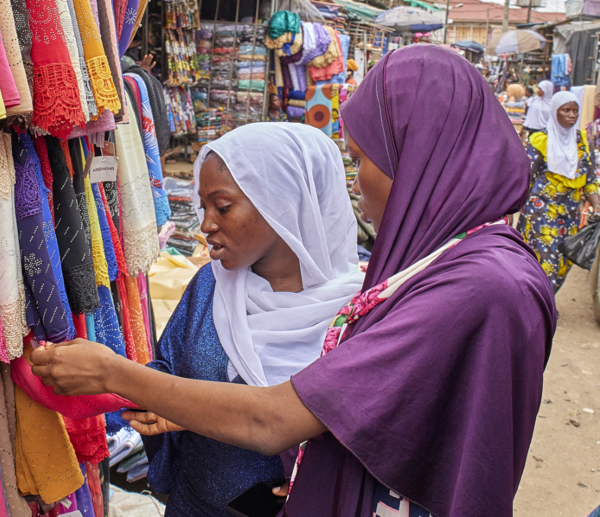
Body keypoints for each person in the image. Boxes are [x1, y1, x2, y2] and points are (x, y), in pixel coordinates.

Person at [31, 45, 556, 517]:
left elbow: (275, 420)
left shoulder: (476, 289)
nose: (359, 188)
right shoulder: (434, 276)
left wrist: (114, 374)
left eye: (362, 162)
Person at [135, 124, 364, 516]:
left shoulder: (357, 313)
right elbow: (166, 372)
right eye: (202, 205)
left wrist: (320, 474)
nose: (206, 224)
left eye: (222, 207)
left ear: (282, 203)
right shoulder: (210, 286)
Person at [518, 91, 599, 292]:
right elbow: (526, 175)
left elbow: (588, 177)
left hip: (570, 213)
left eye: (575, 111)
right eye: (566, 110)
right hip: (542, 211)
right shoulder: (540, 141)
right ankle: (544, 305)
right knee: (547, 262)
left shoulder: (579, 142)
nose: (572, 115)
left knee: (565, 261)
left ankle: (544, 300)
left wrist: (596, 203)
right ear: (555, 113)